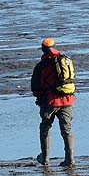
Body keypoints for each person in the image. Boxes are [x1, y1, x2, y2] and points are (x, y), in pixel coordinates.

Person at [31, 38, 76, 166]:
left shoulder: (42, 66)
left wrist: (39, 98)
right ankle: (70, 158)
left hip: (50, 102)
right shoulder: (65, 61)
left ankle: (45, 158)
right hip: (68, 100)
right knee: (67, 129)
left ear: (43, 50)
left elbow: (35, 87)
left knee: (45, 127)